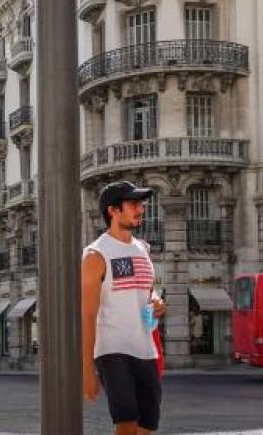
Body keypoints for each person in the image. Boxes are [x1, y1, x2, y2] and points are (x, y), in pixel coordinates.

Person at [82, 180, 166, 435]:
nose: (140, 209)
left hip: (146, 349)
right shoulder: (95, 255)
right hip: (112, 349)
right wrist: (87, 371)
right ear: (113, 210)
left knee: (148, 425)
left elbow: (147, 291)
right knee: (126, 421)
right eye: (133, 204)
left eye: (141, 204)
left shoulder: (143, 249)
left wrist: (157, 300)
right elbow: (87, 314)